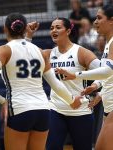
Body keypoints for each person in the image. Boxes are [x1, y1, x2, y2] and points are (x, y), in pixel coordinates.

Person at [0, 13, 82, 150]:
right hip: (43, 110)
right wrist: (72, 100)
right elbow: (55, 84)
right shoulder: (39, 51)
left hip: (20, 108)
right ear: (25, 28)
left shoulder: (4, 50)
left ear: (5, 29)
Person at [26, 17, 100, 150]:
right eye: (51, 28)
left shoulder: (81, 52)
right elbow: (25, 56)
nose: (53, 30)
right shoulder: (48, 54)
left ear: (68, 31)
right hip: (56, 109)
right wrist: (29, 35)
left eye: (58, 27)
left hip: (80, 111)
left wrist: (98, 91)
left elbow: (105, 73)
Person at [55, 4, 113, 150]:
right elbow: (110, 74)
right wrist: (97, 88)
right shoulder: (108, 42)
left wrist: (75, 75)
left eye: (99, 18)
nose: (95, 22)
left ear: (111, 20)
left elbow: (107, 71)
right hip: (108, 106)